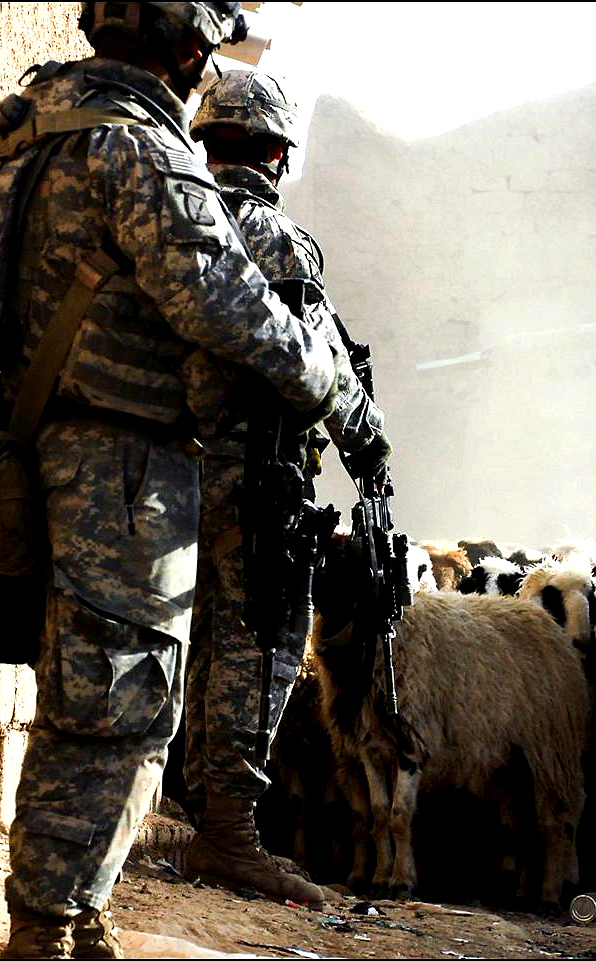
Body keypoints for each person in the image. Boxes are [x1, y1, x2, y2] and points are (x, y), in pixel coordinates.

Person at [0, 3, 342, 957]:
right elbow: (230, 308)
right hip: (126, 473)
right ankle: (50, 925)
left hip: (27, 448)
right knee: (115, 703)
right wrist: (329, 380)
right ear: (186, 46)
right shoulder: (140, 150)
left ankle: (71, 912)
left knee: (82, 690)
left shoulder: (22, 140)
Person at [181, 68, 389, 904]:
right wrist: (368, 441)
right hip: (255, 480)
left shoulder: (178, 219)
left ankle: (188, 812)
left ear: (207, 143)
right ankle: (229, 832)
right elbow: (318, 366)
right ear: (276, 153)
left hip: (163, 473)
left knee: (193, 640)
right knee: (259, 642)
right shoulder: (275, 238)